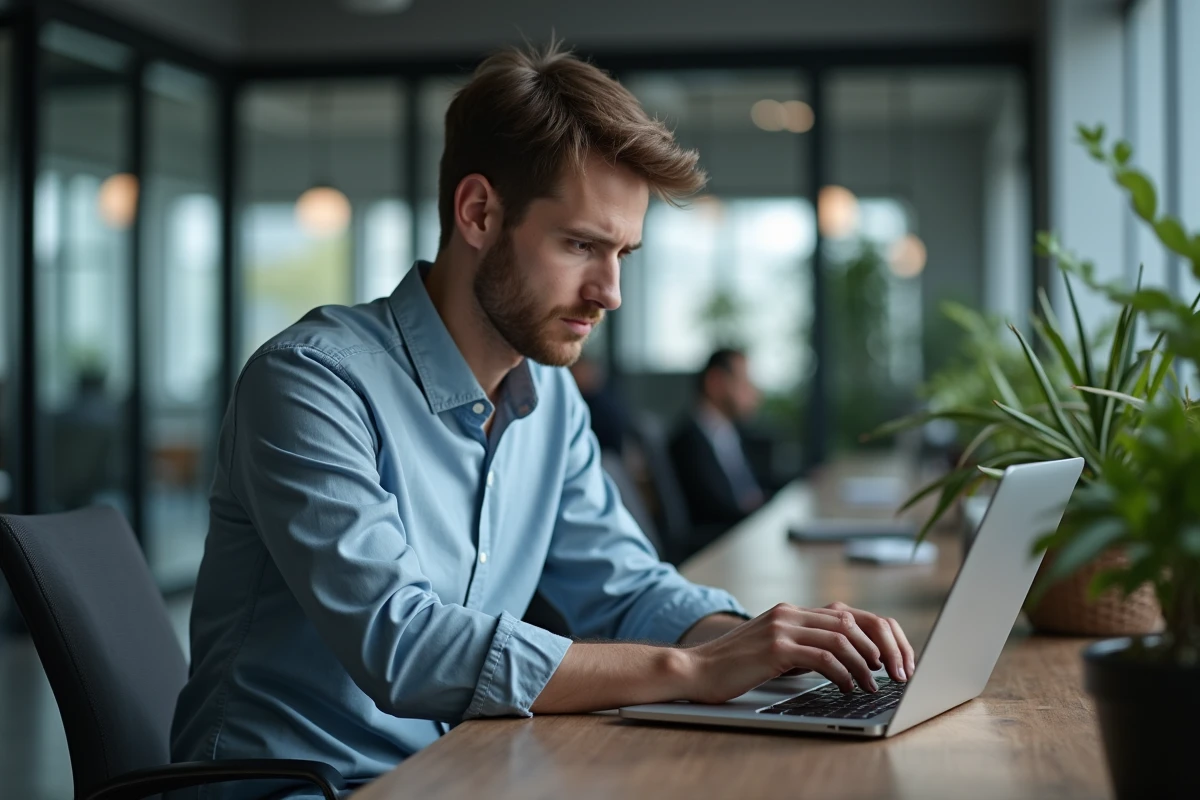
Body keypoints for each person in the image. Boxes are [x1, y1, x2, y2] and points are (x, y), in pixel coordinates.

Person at [170, 42, 915, 799]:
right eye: (582, 245)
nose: (611, 291)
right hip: (298, 787)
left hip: (456, 773)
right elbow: (401, 644)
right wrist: (695, 669)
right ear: (479, 213)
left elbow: (626, 594)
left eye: (623, 252)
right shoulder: (310, 381)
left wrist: (773, 642)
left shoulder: (550, 401)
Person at [670, 348, 768, 533]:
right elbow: (717, 511)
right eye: (744, 383)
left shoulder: (729, 433)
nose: (755, 393)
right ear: (715, 383)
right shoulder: (689, 444)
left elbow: (754, 488)